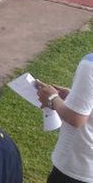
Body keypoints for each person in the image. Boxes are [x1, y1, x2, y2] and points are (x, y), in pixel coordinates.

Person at [37, 54, 93, 183]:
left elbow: (76, 119)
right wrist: (75, 98)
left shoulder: (90, 65)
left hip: (79, 166)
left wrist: (52, 98)